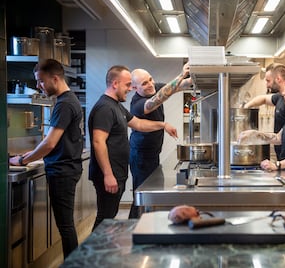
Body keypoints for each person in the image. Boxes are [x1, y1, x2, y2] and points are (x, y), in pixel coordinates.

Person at [9, 59, 83, 259]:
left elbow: (50, 143)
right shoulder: (69, 100)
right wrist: (30, 155)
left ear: (55, 78)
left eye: (41, 81)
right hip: (66, 169)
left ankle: (73, 264)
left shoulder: (64, 104)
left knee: (65, 226)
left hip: (62, 172)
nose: (38, 86)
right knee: (66, 225)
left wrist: (23, 161)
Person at [88, 65, 177, 230]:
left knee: (109, 216)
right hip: (109, 173)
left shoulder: (116, 106)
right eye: (128, 85)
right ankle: (90, 255)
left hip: (118, 171)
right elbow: (98, 142)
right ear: (115, 84)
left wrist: (163, 124)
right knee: (104, 218)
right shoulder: (105, 108)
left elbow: (139, 124)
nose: (130, 89)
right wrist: (108, 175)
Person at [128, 63, 192, 218]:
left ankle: (144, 224)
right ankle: (134, 227)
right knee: (142, 196)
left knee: (147, 194)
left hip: (152, 153)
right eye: (144, 83)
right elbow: (157, 99)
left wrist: (196, 74)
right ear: (134, 88)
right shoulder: (137, 104)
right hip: (140, 155)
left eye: (150, 79)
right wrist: (181, 74)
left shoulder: (154, 87)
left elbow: (179, 86)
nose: (150, 85)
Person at [243, 63, 285, 159]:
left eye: (268, 81)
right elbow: (262, 98)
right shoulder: (280, 98)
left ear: (278, 79)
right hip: (283, 158)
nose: (267, 85)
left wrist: (256, 135)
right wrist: (245, 109)